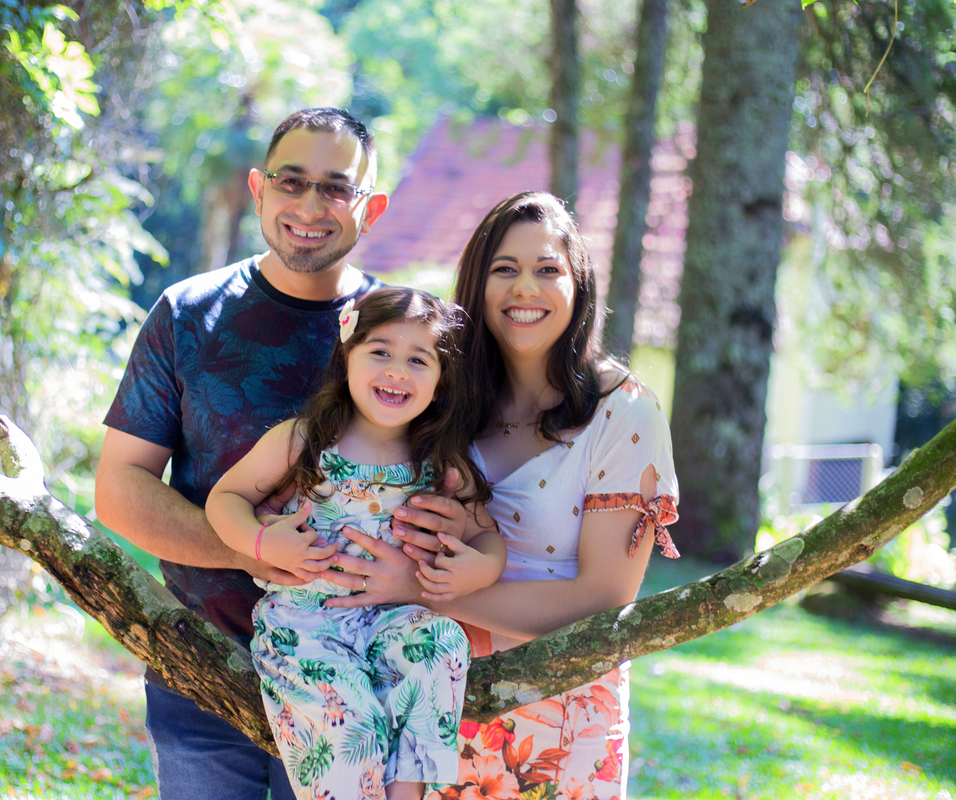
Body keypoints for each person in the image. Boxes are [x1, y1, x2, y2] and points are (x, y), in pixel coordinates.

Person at [323, 192, 681, 800]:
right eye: (504, 269)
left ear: (580, 285)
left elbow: (604, 596)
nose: (525, 289)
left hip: (563, 714)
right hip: (436, 698)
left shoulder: (624, 411)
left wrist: (421, 589)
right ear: (477, 284)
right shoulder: (440, 400)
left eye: (548, 270)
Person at [95, 108, 407, 800]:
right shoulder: (187, 313)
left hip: (356, 681)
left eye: (335, 188)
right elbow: (120, 489)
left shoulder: (406, 338)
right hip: (201, 667)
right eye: (291, 182)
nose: (308, 205)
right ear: (259, 188)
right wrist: (255, 549)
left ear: (371, 208)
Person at [207, 287, 505, 800]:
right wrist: (262, 542)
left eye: (418, 359)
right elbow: (225, 498)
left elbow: (487, 538)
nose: (397, 370)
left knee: (443, 644)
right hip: (306, 620)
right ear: (348, 356)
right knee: (352, 717)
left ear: (441, 380)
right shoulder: (305, 439)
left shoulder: (440, 463)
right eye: (381, 351)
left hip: (390, 618)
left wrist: (474, 572)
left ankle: (408, 791)